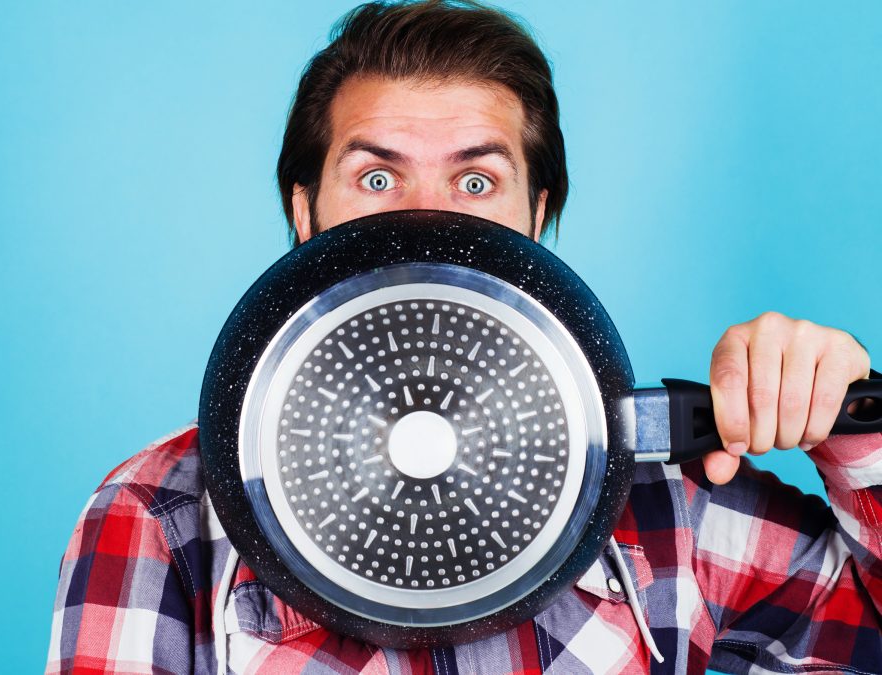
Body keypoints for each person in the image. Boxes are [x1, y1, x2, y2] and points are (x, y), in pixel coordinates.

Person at [45, 2, 881, 673]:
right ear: (307, 215)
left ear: (536, 217)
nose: (427, 222)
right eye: (377, 176)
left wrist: (850, 427)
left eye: (476, 180)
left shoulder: (671, 509)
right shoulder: (159, 516)